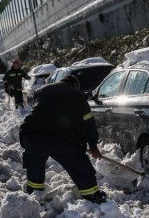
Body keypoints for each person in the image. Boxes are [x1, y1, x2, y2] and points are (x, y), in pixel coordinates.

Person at [19, 74, 107, 204]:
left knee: (34, 166)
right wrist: (93, 146)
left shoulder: (42, 90)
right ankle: (92, 195)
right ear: (74, 85)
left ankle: (34, 198)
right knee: (79, 163)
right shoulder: (77, 95)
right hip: (57, 136)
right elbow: (89, 124)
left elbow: (41, 113)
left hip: (30, 133)